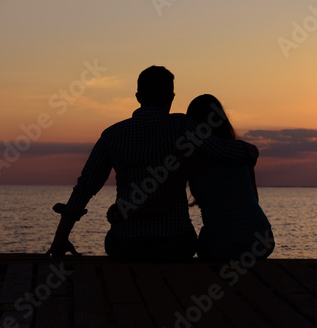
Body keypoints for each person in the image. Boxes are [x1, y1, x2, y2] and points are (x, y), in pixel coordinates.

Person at [46, 66, 259, 260]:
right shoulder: (183, 127)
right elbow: (223, 150)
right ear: (172, 97)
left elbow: (85, 188)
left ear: (138, 97)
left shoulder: (112, 135)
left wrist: (60, 238)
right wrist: (252, 150)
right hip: (175, 244)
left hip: (126, 244)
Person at [186, 94, 275, 260]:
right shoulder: (242, 153)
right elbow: (254, 199)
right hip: (261, 240)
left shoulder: (191, 159)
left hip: (221, 245)